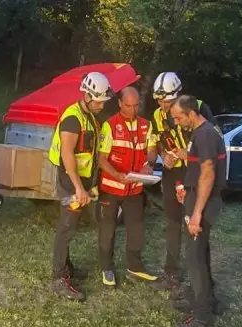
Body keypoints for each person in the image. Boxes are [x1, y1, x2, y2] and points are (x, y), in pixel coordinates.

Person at [146, 71, 216, 297]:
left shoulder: (199, 108)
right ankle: (171, 273)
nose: (162, 105)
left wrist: (189, 155)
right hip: (172, 175)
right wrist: (163, 154)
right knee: (173, 224)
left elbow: (212, 144)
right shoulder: (157, 115)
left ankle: (204, 285)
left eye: (166, 100)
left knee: (195, 228)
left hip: (195, 175)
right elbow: (157, 141)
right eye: (158, 100)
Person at [47, 71, 114, 301]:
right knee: (67, 226)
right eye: (99, 101)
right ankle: (58, 277)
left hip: (82, 180)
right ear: (87, 96)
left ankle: (67, 269)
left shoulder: (91, 118)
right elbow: (67, 153)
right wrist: (78, 187)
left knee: (72, 224)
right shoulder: (73, 118)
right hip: (70, 180)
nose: (102, 105)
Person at [167, 95, 227, 327]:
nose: (177, 122)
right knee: (200, 251)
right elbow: (200, 160)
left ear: (191, 113)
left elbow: (208, 173)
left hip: (205, 201)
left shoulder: (205, 134)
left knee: (194, 258)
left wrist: (196, 213)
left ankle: (201, 314)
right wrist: (185, 155)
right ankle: (205, 299)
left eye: (178, 117)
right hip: (198, 197)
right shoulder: (202, 133)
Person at [96, 86, 156, 288]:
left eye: (136, 105)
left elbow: (152, 150)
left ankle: (135, 266)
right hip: (111, 188)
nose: (133, 110)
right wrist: (117, 175)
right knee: (108, 228)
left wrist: (149, 164)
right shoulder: (110, 125)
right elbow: (102, 159)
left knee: (136, 228)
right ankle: (107, 267)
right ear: (120, 103)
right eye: (129, 106)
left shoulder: (147, 126)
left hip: (135, 188)